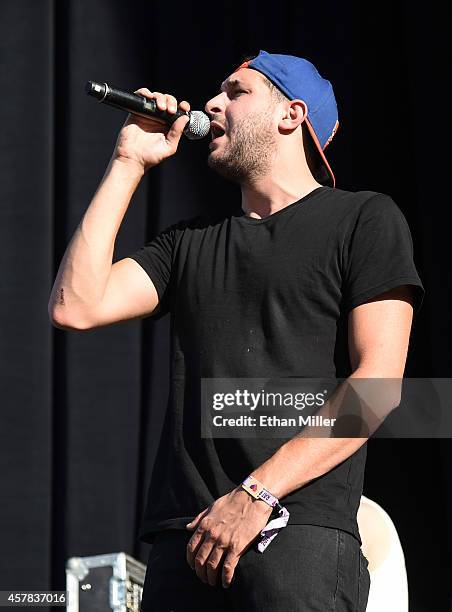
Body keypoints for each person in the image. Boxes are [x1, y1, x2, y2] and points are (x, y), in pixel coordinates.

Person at [49, 50, 424, 611]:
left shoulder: (363, 219)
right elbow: (75, 306)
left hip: (297, 533)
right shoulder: (189, 242)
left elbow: (378, 386)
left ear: (291, 115)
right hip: (187, 541)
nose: (211, 104)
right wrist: (128, 162)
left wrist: (255, 494)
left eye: (235, 91)